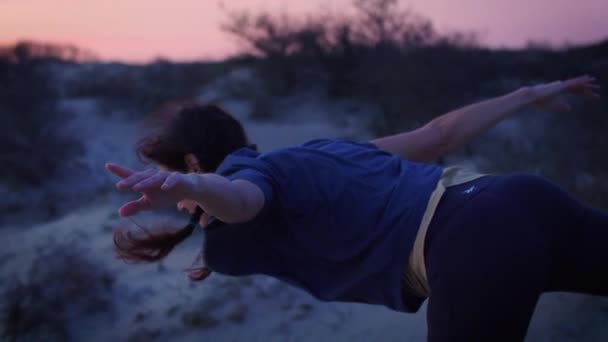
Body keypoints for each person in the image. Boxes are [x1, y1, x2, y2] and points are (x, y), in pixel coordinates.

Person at [106, 75, 603, 341]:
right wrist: (527, 94)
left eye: (183, 170)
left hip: (472, 240)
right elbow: (438, 135)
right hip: (521, 198)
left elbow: (241, 202)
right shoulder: (323, 151)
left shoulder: (247, 177)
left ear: (193, 160)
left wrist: (193, 183)